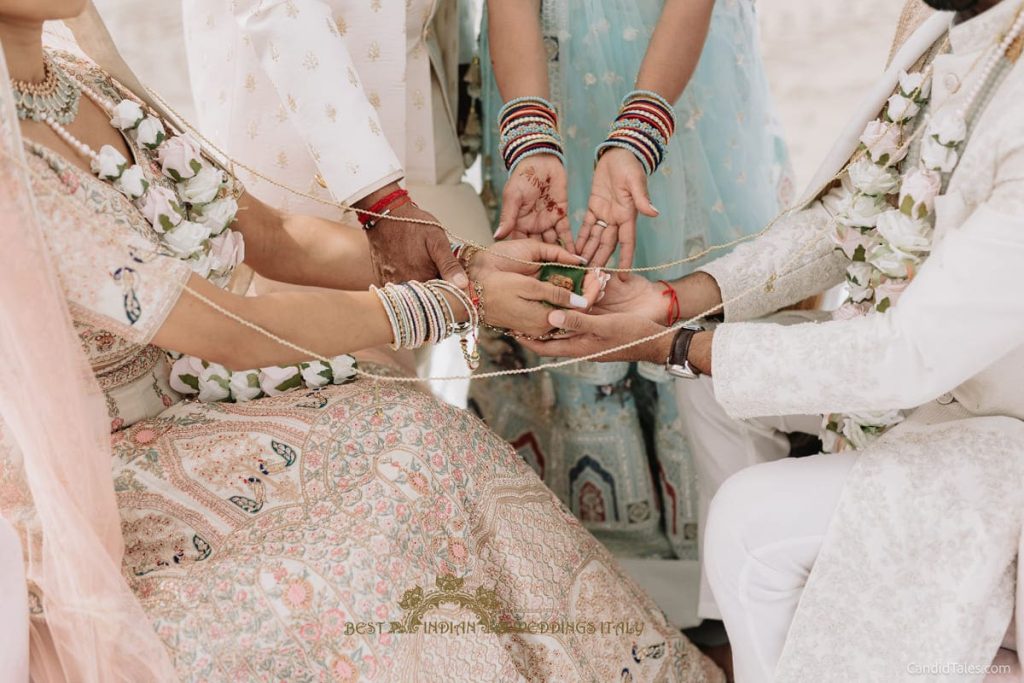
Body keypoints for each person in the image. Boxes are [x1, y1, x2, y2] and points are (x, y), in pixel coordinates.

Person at [0, 2, 725, 680]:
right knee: (385, 511)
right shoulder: (10, 152)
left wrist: (471, 263)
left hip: (187, 403)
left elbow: (266, 233)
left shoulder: (79, 75)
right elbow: (223, 327)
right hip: (105, 465)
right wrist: (458, 301)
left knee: (429, 436)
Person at [521, 0, 1024, 678]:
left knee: (746, 521)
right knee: (711, 393)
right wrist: (674, 304)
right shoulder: (943, 25)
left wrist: (669, 346)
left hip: (999, 417)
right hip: (936, 380)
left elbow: (903, 355)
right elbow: (847, 214)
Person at [471, 0, 793, 569]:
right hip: (543, 75)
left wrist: (639, 136)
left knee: (682, 261)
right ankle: (606, 568)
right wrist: (532, 138)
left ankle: (729, 571)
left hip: (676, 69)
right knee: (561, 278)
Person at [181, 0, 492, 290]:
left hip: (424, 114)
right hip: (294, 136)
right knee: (309, 327)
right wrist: (382, 202)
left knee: (442, 311)